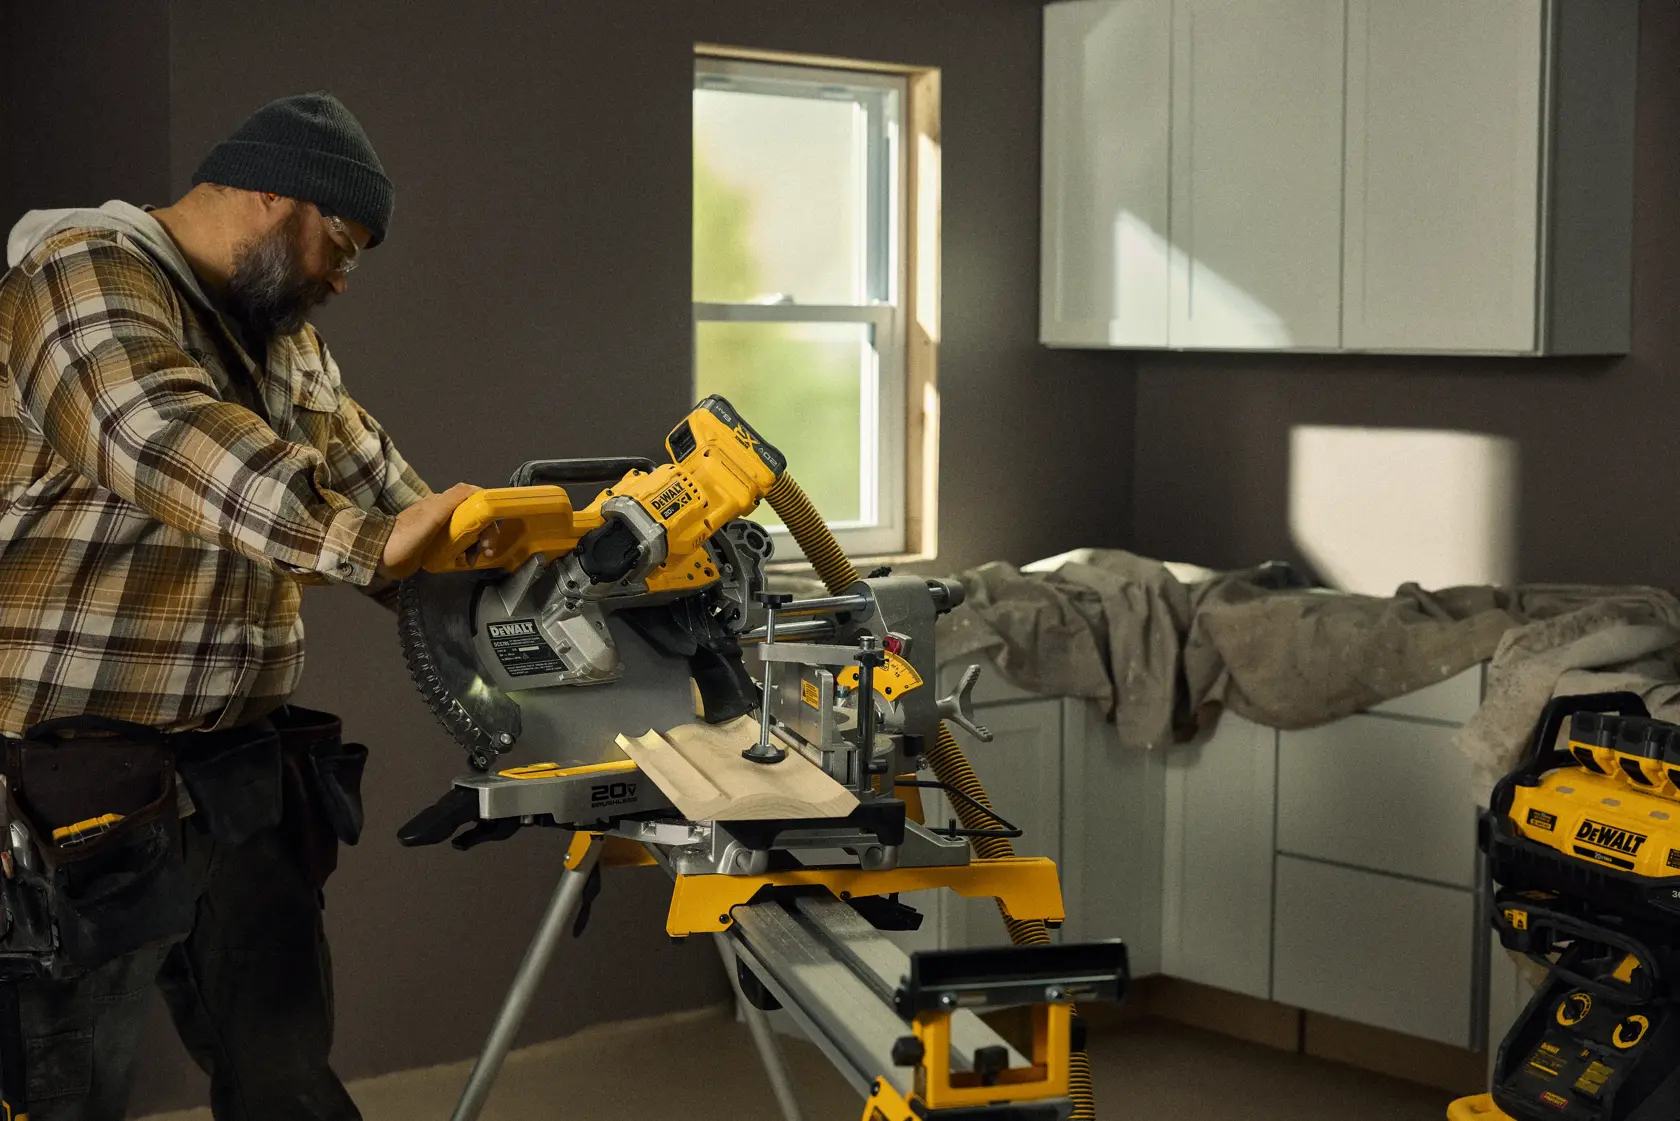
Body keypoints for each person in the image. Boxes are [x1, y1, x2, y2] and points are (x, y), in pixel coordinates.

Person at [0, 91, 490, 1120]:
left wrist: (527, 562)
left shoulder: (283, 340)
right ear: (274, 192)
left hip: (234, 773)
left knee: (284, 1078)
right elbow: (155, 434)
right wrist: (364, 539)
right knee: (60, 1091)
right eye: (340, 243)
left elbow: (389, 497)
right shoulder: (80, 276)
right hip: (66, 778)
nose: (343, 278)